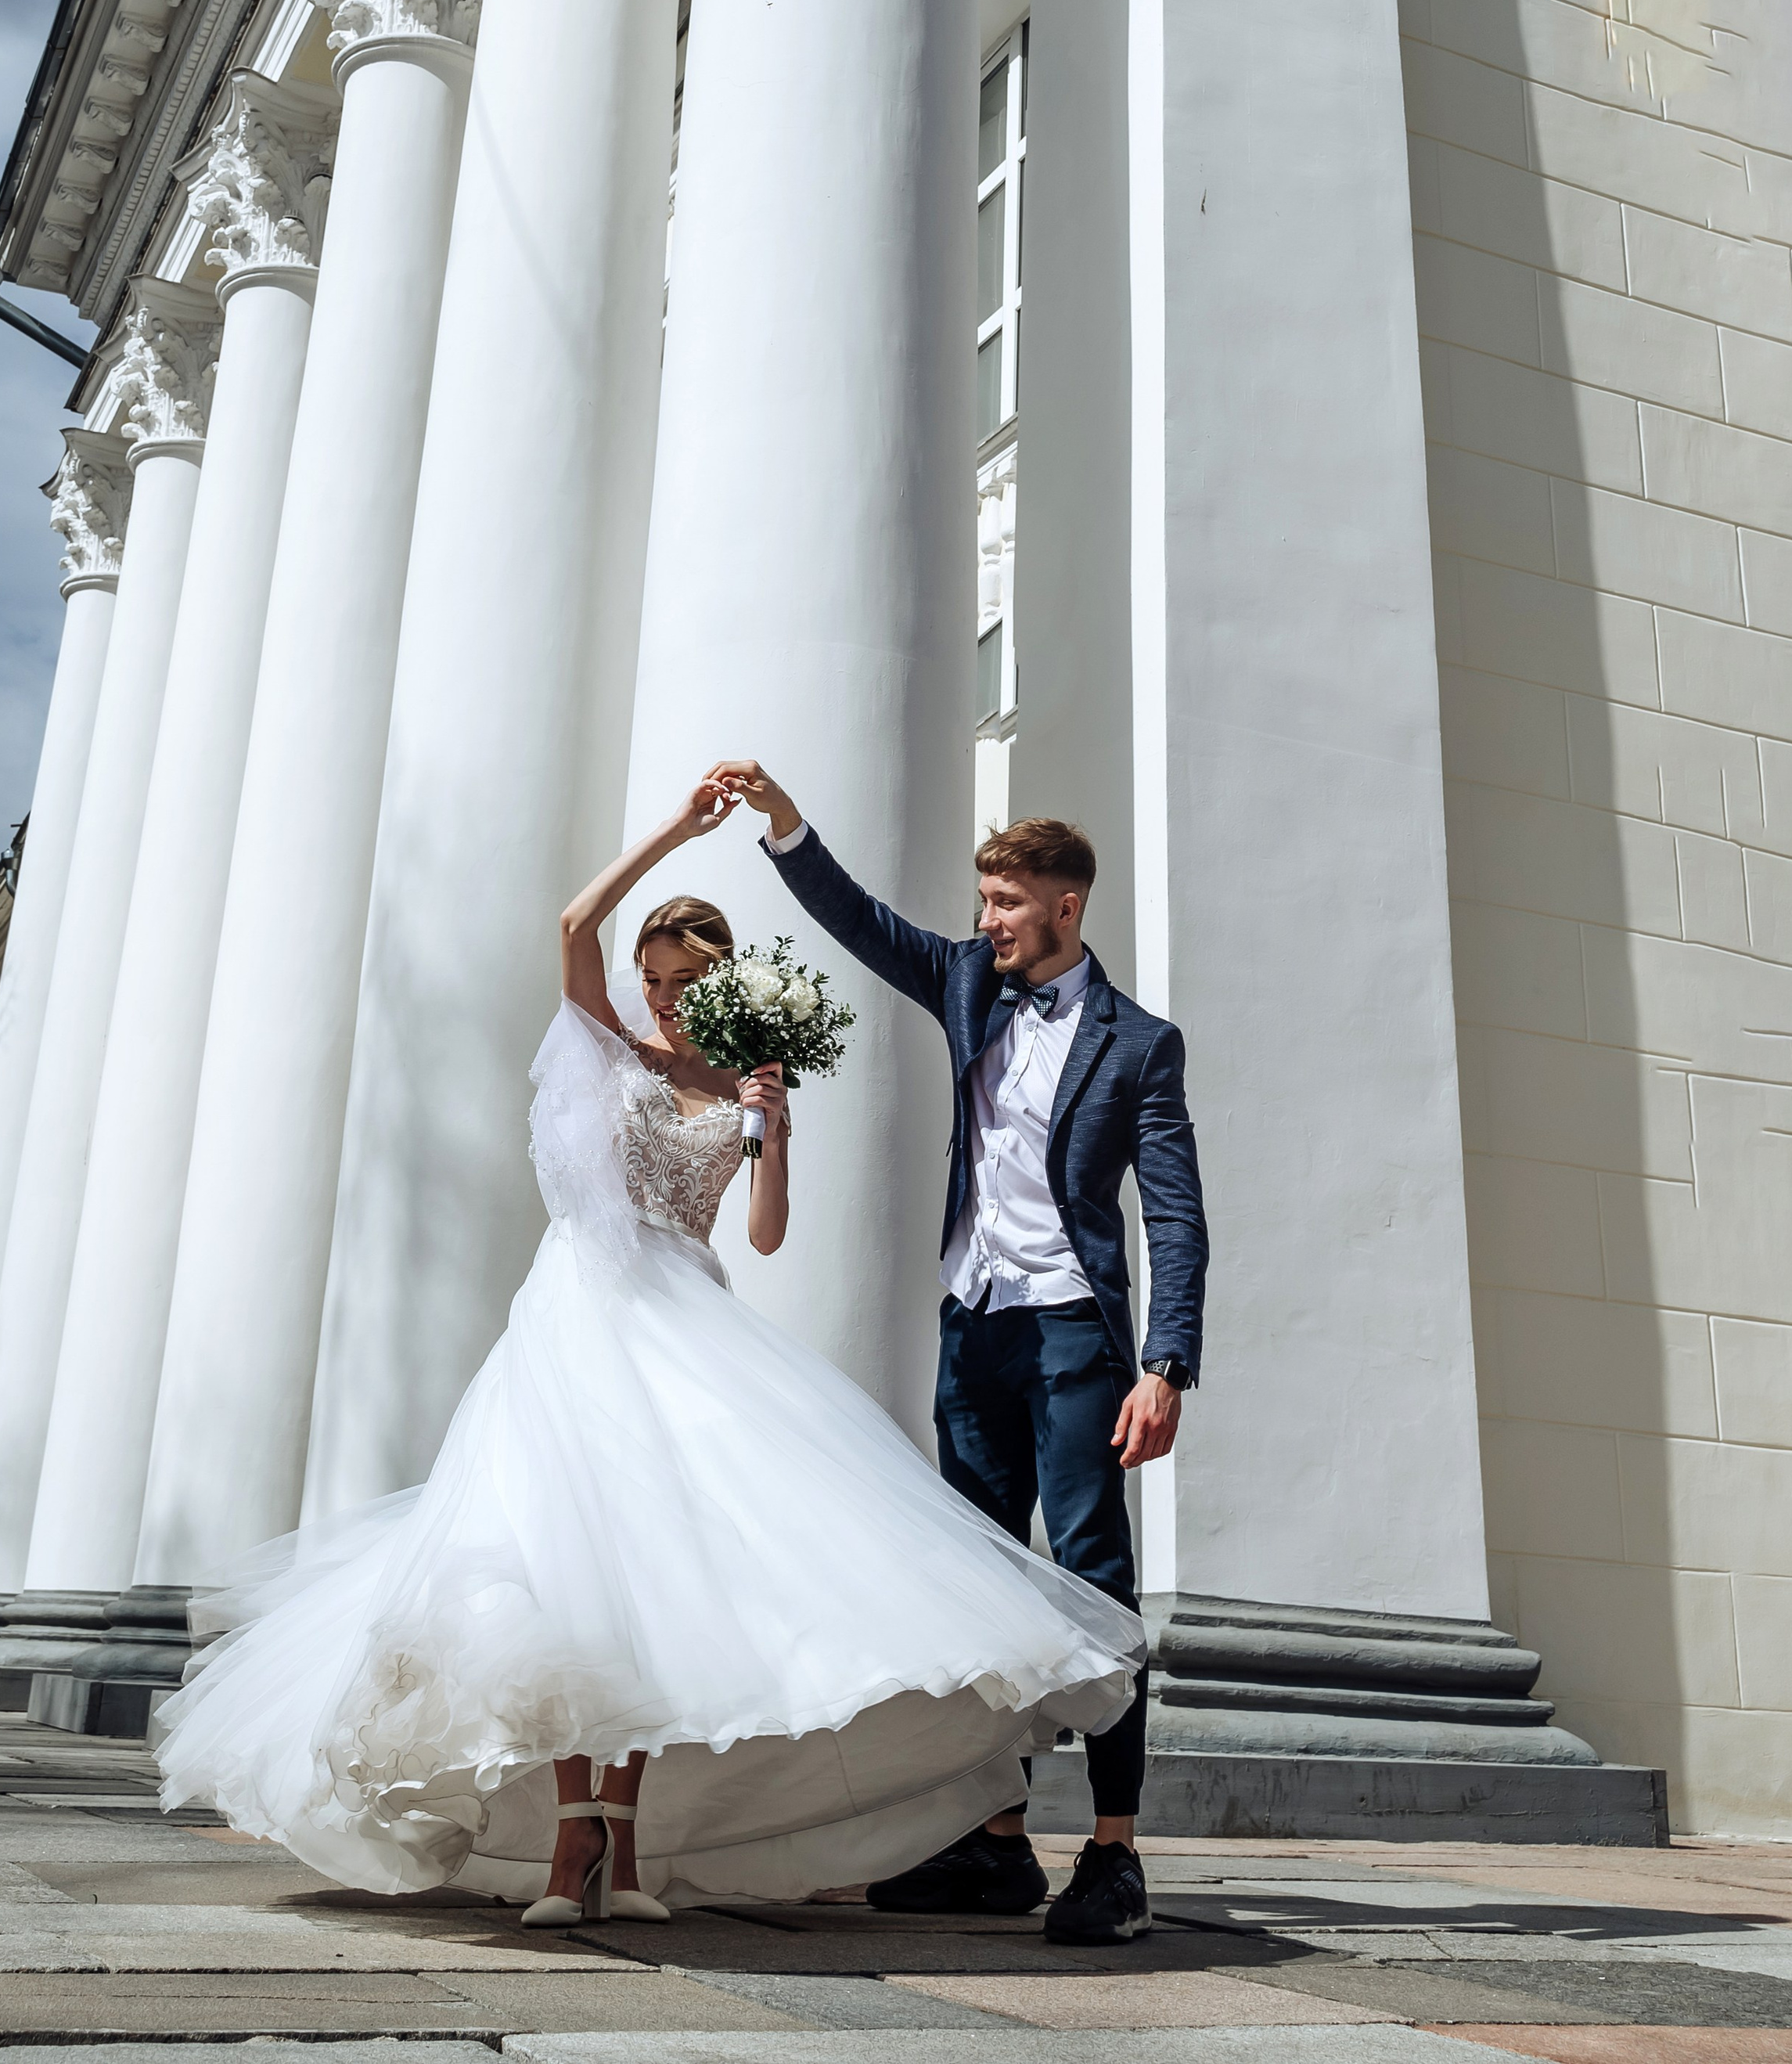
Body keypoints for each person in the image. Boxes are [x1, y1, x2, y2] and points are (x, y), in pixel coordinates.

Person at [153, 776, 1143, 1921]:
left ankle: (620, 1859)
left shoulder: (743, 1083)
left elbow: (765, 1233)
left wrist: (771, 1131)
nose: (668, 1000)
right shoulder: (610, 1050)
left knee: (668, 1578)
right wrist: (682, 833)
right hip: (582, 1311)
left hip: (688, 1308)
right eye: (658, 980)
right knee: (569, 1562)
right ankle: (577, 1847)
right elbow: (575, 930)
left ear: (725, 991)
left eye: (690, 984)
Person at [707, 761, 1208, 1948]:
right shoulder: (969, 985)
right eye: (983, 902)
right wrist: (784, 827)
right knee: (974, 1582)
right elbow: (860, 921)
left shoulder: (1141, 1046)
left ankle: (1114, 1851)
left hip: (1076, 1335)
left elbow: (1175, 1213)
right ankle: (991, 1843)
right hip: (973, 1328)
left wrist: (1166, 1364)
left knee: (1091, 1579)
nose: (984, 922)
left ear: (1066, 906)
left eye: (1005, 903)